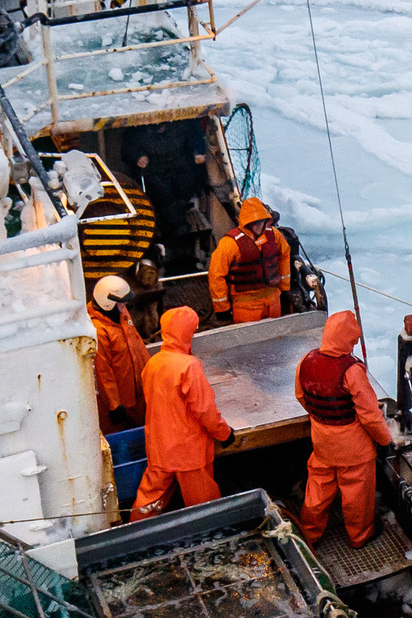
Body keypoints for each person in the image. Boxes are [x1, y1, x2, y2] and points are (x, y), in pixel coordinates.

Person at [295, 310, 390, 548]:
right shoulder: (352, 371)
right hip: (353, 448)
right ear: (347, 339)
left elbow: (301, 396)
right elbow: (370, 415)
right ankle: (360, 535)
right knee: (356, 492)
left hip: (322, 441)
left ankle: (309, 534)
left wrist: (320, 417)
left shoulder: (306, 361)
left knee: (318, 488)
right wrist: (385, 440)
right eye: (353, 340)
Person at [133, 307, 235, 517]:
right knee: (204, 508)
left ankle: (134, 534)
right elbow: (205, 409)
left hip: (159, 446)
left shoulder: (152, 363)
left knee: (149, 500)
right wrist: (224, 434)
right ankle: (210, 539)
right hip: (189, 453)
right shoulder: (189, 366)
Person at [208, 197, 291, 323]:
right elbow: (216, 275)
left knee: (276, 338)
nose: (258, 227)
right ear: (246, 222)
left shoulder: (274, 235)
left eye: (261, 222)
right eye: (254, 223)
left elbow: (284, 255)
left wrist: (285, 289)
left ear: (266, 221)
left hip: (273, 300)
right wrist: (222, 308)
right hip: (245, 306)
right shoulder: (230, 243)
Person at [87, 275, 145, 431]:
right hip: (122, 405)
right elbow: (102, 371)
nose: (125, 304)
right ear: (108, 303)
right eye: (122, 301)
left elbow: (138, 346)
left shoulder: (120, 313)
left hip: (137, 395)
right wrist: (115, 405)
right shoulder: (99, 330)